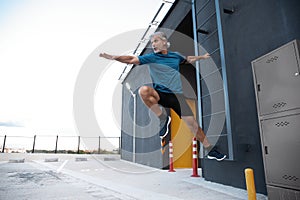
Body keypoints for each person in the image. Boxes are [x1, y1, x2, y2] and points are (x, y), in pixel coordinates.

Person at [100, 31, 226, 161]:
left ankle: (210, 149)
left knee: (193, 125)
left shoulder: (175, 56)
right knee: (143, 91)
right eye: (152, 42)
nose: (153, 44)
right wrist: (113, 57)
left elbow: (188, 59)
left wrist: (202, 57)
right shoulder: (151, 57)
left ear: (165, 42)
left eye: (156, 41)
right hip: (160, 94)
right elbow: (131, 59)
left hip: (177, 96)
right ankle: (162, 117)